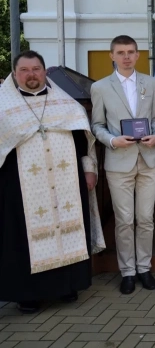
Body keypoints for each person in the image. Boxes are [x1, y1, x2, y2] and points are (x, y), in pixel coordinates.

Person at [0, 51, 105, 313]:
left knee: (69, 231)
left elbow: (84, 141)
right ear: (15, 74)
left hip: (67, 182)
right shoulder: (3, 108)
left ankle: (67, 287)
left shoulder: (66, 105)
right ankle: (29, 294)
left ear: (45, 72)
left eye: (36, 69)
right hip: (22, 189)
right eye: (24, 70)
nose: (31, 74)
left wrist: (89, 169)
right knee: (24, 239)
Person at [91, 35, 155, 295]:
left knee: (145, 218)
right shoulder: (100, 87)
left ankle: (144, 268)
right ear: (111, 55)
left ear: (137, 55)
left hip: (148, 158)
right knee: (124, 220)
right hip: (119, 162)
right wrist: (111, 140)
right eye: (120, 52)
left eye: (131, 52)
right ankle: (128, 272)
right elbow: (97, 125)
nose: (126, 57)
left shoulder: (151, 83)